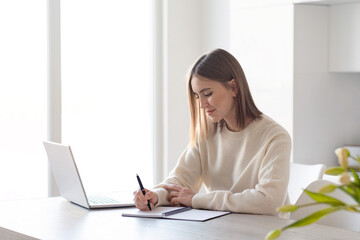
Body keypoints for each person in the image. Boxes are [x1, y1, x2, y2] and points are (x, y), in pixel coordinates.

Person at [133, 48, 291, 215]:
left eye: (207, 93)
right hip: (223, 229)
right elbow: (180, 181)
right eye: (197, 96)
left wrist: (197, 200)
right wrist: (155, 196)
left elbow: (269, 201)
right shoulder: (207, 133)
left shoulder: (275, 137)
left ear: (234, 87)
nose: (201, 105)